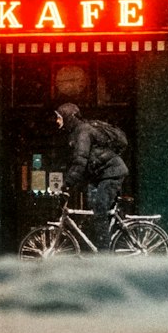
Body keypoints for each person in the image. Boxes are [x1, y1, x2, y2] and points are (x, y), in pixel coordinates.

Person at [55, 103, 128, 247]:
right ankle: (108, 242)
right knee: (94, 211)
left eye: (59, 117)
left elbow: (80, 162)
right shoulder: (77, 132)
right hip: (100, 176)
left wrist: (67, 184)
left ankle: (105, 256)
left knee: (100, 212)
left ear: (68, 117)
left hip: (111, 174)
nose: (57, 121)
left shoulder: (83, 132)